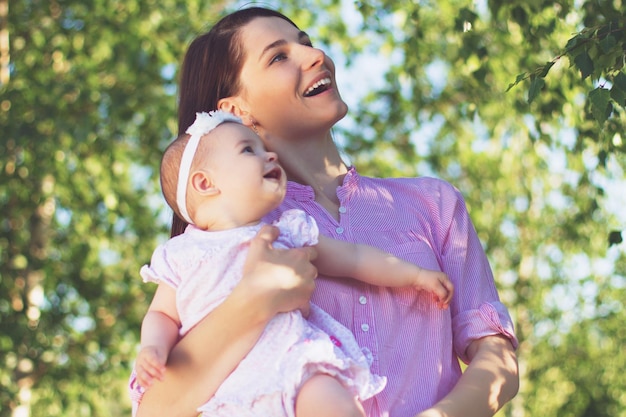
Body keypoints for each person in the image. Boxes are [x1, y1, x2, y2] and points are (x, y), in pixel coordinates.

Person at [133, 6, 519, 417]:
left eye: (306, 43)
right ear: (236, 112)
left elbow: (498, 359)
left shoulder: (434, 205)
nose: (315, 56)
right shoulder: (228, 243)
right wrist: (251, 300)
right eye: (279, 57)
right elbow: (156, 410)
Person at [129, 110, 454, 417]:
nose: (270, 156)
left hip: (293, 361)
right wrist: (153, 350)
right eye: (248, 150)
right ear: (205, 184)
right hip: (228, 389)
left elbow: (354, 258)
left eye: (263, 148)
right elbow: (162, 314)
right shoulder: (181, 254)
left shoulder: (287, 232)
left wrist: (416, 274)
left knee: (334, 401)